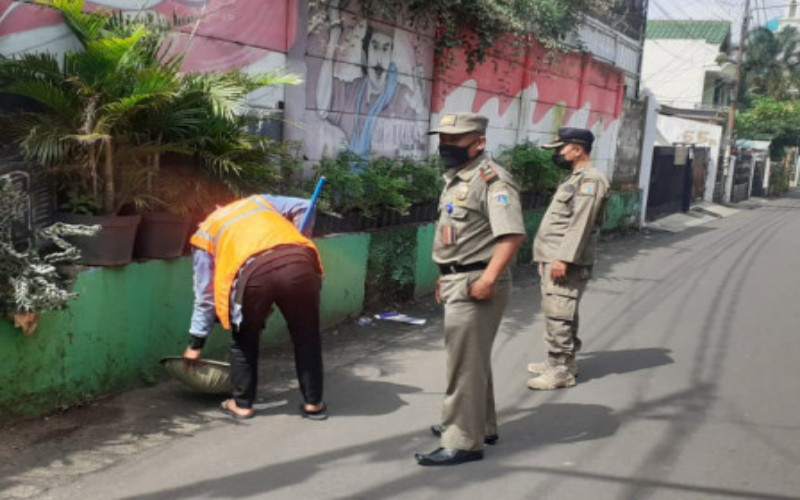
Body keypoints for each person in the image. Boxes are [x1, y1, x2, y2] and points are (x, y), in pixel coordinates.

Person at [415, 113, 526, 466]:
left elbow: (511, 235)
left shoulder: (493, 181)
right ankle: (482, 425)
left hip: (476, 281)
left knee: (462, 365)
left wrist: (487, 279)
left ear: (479, 142)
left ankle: (462, 441)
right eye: (443, 139)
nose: (446, 146)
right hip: (459, 277)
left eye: (455, 140)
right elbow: (460, 236)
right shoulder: (458, 178)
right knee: (472, 359)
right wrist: (444, 273)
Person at [182, 195, 328, 420]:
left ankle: (242, 404)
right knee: (306, 336)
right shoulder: (257, 202)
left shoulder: (204, 233)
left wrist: (195, 343)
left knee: (244, 340)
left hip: (254, 276)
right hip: (300, 263)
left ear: (202, 218)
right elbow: (305, 205)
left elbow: (205, 296)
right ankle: (313, 403)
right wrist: (298, 237)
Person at [526, 127, 610, 391]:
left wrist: (563, 258)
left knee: (559, 312)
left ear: (578, 149)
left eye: (562, 148)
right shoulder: (575, 178)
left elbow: (580, 223)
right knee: (559, 310)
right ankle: (561, 361)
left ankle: (560, 369)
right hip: (554, 257)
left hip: (566, 260)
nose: (559, 154)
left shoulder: (590, 180)